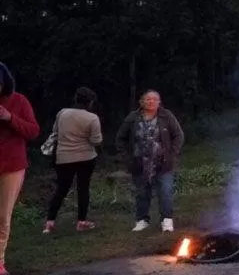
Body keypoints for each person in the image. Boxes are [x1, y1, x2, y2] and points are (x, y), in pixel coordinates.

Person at [116, 90, 184, 232]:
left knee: (165, 191)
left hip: (163, 163)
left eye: (155, 99)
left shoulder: (166, 116)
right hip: (139, 163)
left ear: (159, 102)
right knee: (142, 192)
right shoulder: (133, 117)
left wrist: (172, 154)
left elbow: (178, 135)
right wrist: (127, 158)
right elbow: (120, 138)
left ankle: (167, 220)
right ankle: (142, 220)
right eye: (148, 99)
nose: (151, 101)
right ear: (141, 102)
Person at [0, 62, 40, 275]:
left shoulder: (18, 101)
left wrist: (10, 118)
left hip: (12, 166)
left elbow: (33, 131)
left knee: (2, 215)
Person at [43, 87, 103, 233]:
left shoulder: (62, 113)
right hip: (86, 157)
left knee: (61, 189)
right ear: (90, 102)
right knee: (83, 188)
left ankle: (49, 223)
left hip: (63, 157)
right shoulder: (92, 118)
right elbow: (96, 141)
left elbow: (56, 132)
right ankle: (81, 222)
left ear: (75, 99)